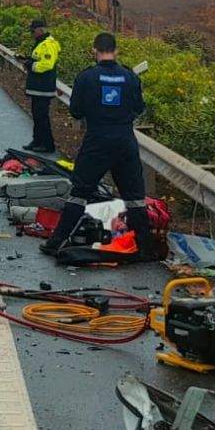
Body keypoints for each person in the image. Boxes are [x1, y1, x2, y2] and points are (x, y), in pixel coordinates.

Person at [44, 32, 162, 261]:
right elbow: (139, 108)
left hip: (97, 140)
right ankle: (146, 248)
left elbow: (76, 111)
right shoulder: (130, 76)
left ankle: (56, 243)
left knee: (80, 192)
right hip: (125, 141)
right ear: (116, 51)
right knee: (135, 196)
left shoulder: (87, 77)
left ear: (94, 50)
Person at [21, 19, 62, 154]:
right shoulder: (41, 43)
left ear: (40, 29)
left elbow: (47, 65)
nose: (32, 34)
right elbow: (39, 59)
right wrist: (28, 60)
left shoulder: (48, 44)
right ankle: (37, 141)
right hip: (37, 87)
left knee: (42, 116)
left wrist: (31, 65)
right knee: (37, 116)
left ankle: (47, 144)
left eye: (33, 31)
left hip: (43, 87)